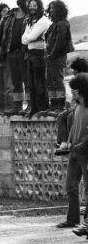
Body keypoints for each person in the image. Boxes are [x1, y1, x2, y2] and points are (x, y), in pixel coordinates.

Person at [56, 73, 88, 229]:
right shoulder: (76, 106)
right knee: (70, 186)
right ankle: (73, 219)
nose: (72, 92)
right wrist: (66, 144)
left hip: (85, 152)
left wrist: (81, 144)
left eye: (75, 89)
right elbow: (74, 127)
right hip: (75, 151)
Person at [0, 0, 33, 116]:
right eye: (28, 2)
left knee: (27, 81)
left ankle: (27, 106)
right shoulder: (9, 16)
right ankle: (17, 106)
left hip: (24, 53)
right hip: (10, 53)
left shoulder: (30, 17)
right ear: (21, 2)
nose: (30, 5)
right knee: (16, 82)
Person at [21, 0, 51, 117]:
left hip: (39, 54)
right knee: (31, 83)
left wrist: (29, 37)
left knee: (39, 83)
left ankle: (42, 108)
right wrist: (29, 37)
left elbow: (31, 37)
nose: (32, 7)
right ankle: (34, 108)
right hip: (31, 54)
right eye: (30, 5)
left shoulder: (43, 20)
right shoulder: (30, 20)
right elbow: (23, 40)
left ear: (39, 6)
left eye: (35, 5)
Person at [44, 0, 74, 116]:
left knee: (57, 80)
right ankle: (53, 105)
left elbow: (60, 42)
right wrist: (49, 55)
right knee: (51, 81)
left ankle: (60, 106)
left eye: (53, 8)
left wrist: (51, 55)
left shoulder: (63, 23)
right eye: (50, 8)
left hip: (58, 56)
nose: (51, 10)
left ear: (59, 9)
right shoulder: (54, 24)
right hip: (51, 57)